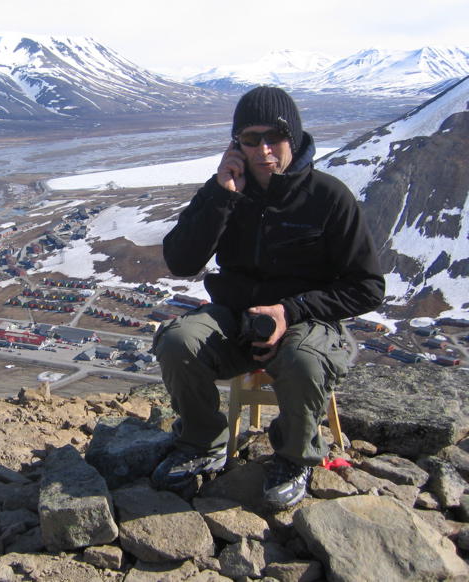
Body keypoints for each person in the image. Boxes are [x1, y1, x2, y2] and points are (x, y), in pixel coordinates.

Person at [151, 86, 384, 509]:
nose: (263, 150)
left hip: (305, 323)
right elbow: (180, 262)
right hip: (235, 319)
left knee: (303, 360)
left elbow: (367, 286)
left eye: (274, 137)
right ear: (235, 144)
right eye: (250, 139)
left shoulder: (329, 197)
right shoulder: (222, 191)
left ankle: (295, 457)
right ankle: (201, 441)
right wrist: (222, 196)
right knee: (177, 341)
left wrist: (289, 311)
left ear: (293, 138)